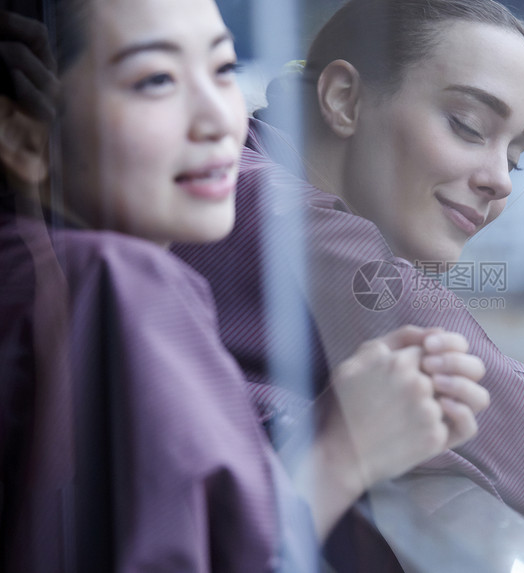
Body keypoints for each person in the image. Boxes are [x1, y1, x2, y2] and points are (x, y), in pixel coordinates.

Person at [0, 0, 490, 570]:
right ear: (24, 139)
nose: (217, 118)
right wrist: (341, 451)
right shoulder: (110, 282)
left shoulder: (33, 277)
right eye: (156, 79)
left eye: (224, 70)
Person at [174, 0, 524, 563]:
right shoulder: (264, 206)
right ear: (342, 99)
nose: (501, 181)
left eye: (517, 158)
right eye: (468, 126)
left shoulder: (248, 180)